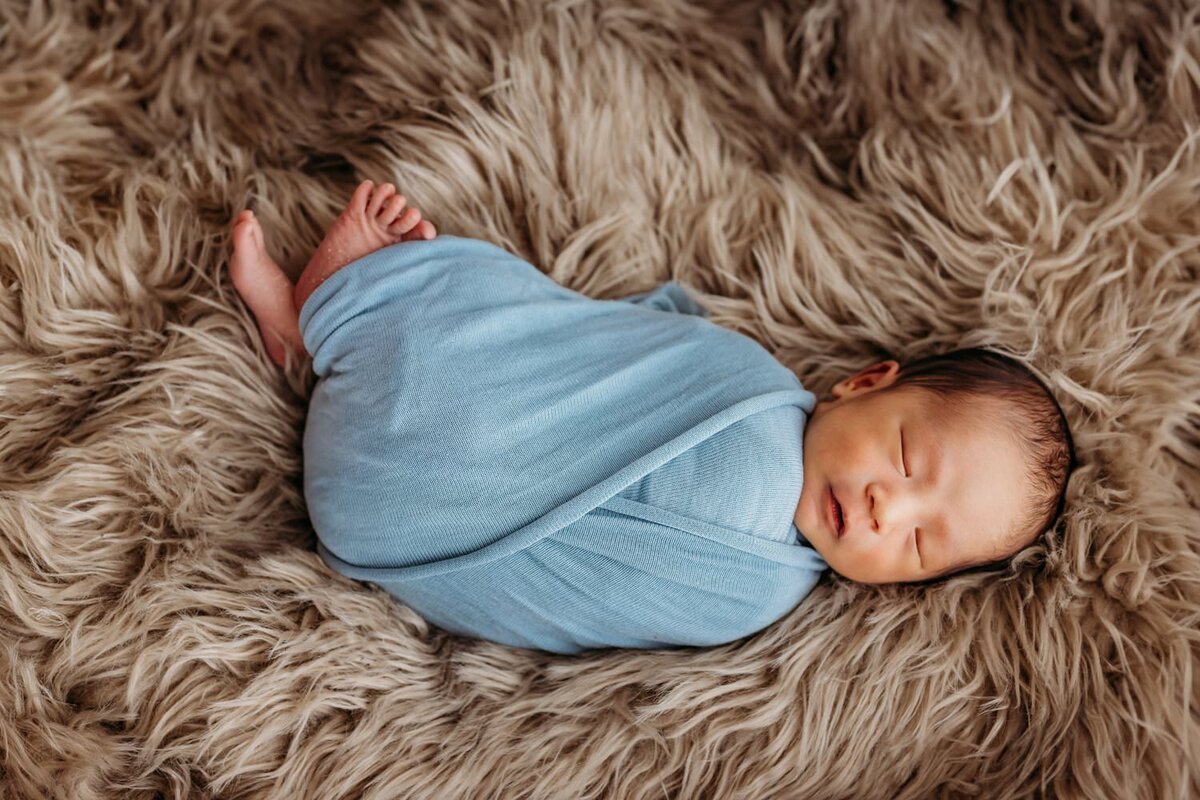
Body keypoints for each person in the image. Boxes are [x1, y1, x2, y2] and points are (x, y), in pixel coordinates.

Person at [228, 180, 1076, 654]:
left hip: (402, 515)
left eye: (921, 545)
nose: (892, 508)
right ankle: (315, 331)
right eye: (904, 456)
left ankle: (336, 318)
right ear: (864, 382)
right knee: (529, 337)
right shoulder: (750, 380)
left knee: (482, 316)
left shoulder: (755, 602)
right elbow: (598, 352)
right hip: (369, 532)